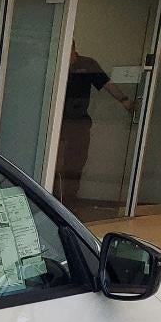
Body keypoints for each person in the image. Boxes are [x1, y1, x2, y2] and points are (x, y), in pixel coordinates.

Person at [55, 44, 138, 207]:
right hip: (55, 122)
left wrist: (125, 101)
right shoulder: (55, 62)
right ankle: (52, 199)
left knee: (75, 163)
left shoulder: (87, 64)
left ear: (73, 49)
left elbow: (106, 83)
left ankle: (69, 200)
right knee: (54, 162)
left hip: (78, 123)